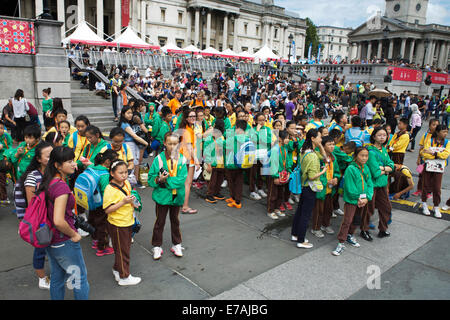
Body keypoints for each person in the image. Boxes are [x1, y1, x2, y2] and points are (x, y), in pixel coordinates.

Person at [37, 146, 89, 300]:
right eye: (69, 161)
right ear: (57, 165)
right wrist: (74, 234)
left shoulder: (49, 182)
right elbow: (59, 220)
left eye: (73, 160)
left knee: (58, 278)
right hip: (63, 240)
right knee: (79, 278)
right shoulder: (60, 187)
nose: (74, 164)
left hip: (51, 239)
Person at [18, 141, 53, 289]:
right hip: (41, 220)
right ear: (39, 159)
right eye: (48, 156)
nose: (52, 158)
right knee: (40, 249)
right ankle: (42, 278)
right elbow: (32, 204)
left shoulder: (55, 172)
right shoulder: (33, 176)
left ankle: (55, 275)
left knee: (55, 248)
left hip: (54, 217)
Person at [149, 132, 188, 260]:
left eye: (175, 144)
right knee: (160, 221)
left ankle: (176, 243)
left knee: (175, 221)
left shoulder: (182, 159)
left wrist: (166, 181)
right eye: (170, 143)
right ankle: (156, 245)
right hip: (162, 197)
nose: (172, 146)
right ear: (164, 143)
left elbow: (182, 179)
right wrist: (159, 180)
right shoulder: (158, 159)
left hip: (176, 197)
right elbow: (150, 178)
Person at [103, 160, 141, 286]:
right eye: (121, 173)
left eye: (126, 172)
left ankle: (117, 269)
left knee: (123, 249)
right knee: (122, 251)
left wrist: (134, 203)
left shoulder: (126, 183)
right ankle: (124, 277)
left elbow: (129, 196)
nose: (124, 175)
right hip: (118, 224)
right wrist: (123, 202)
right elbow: (107, 209)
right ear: (112, 173)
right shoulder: (109, 189)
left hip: (127, 221)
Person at [332, 147, 373, 256]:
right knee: (347, 220)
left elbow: (370, 184)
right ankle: (341, 242)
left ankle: (350, 235)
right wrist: (359, 198)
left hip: (363, 200)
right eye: (362, 155)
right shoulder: (350, 168)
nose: (364, 158)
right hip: (352, 200)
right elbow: (350, 188)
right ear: (355, 156)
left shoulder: (366, 168)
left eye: (366, 156)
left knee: (356, 220)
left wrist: (367, 197)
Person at [291, 129, 327, 249]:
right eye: (320, 137)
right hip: (310, 187)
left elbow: (324, 157)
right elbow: (312, 176)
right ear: (312, 138)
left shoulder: (305, 150)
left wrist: (320, 144)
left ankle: (295, 234)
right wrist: (322, 171)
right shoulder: (311, 155)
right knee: (305, 214)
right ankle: (301, 240)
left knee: (300, 211)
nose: (321, 139)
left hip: (304, 185)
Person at [362, 127, 394, 241]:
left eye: (384, 135)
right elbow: (375, 173)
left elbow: (392, 165)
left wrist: (383, 168)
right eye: (379, 135)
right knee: (369, 209)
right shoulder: (371, 152)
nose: (382, 137)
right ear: (374, 136)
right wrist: (387, 169)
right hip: (373, 185)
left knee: (386, 207)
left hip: (383, 184)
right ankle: (364, 230)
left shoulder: (383, 150)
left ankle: (383, 229)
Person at [88, 149, 118, 256]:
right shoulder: (104, 174)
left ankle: (95, 240)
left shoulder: (91, 168)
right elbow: (106, 191)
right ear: (108, 162)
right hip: (100, 203)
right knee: (102, 225)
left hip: (90, 201)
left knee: (93, 220)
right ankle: (102, 248)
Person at [311, 136, 340, 237]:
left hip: (330, 189)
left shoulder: (333, 157)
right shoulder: (318, 157)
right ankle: (316, 228)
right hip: (321, 188)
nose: (332, 146)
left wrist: (336, 178)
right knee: (318, 210)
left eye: (333, 144)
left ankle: (325, 224)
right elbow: (316, 173)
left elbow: (336, 171)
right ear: (323, 146)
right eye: (329, 144)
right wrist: (327, 181)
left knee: (328, 208)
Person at [420, 124, 450, 218]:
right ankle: (424, 203)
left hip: (439, 168)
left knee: (437, 188)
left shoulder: (447, 142)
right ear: (437, 132)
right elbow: (425, 154)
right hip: (428, 167)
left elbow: (445, 155)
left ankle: (436, 206)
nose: (446, 133)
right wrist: (438, 154)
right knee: (426, 185)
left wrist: (433, 152)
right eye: (443, 131)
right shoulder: (430, 140)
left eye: (446, 131)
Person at [224, 120, 250, 209]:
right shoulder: (247, 138)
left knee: (232, 182)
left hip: (231, 164)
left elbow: (224, 144)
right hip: (241, 164)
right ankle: (235, 198)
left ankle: (236, 200)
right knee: (238, 182)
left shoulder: (233, 138)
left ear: (236, 128)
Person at [178, 109, 200, 214]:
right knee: (188, 183)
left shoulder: (187, 128)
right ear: (186, 118)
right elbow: (189, 146)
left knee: (183, 182)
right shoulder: (188, 130)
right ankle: (185, 207)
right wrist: (196, 160)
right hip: (187, 158)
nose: (193, 118)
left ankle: (181, 203)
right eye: (190, 116)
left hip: (183, 157)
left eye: (194, 116)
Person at [267, 130, 292, 220]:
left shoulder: (284, 149)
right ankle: (270, 210)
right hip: (275, 175)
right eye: (286, 138)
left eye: (288, 138)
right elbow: (273, 164)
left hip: (283, 175)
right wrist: (275, 177)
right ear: (280, 139)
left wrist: (289, 172)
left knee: (280, 193)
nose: (288, 140)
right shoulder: (275, 149)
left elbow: (288, 161)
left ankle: (277, 208)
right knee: (272, 194)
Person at [412, 119, 439, 197]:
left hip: (433, 160)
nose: (435, 126)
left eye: (437, 125)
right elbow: (421, 147)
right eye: (433, 124)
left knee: (431, 176)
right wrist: (418, 158)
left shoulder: (438, 136)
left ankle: (428, 192)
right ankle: (419, 190)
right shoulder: (425, 135)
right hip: (424, 159)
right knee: (421, 175)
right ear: (429, 126)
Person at [204, 119, 226, 204]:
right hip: (213, 163)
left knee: (219, 179)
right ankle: (209, 195)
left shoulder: (221, 138)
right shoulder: (209, 139)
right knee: (212, 180)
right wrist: (209, 164)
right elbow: (206, 152)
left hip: (220, 162)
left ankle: (216, 193)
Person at [0, 121, 13, 204]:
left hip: (4, 160)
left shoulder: (6, 136)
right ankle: (3, 197)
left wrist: (6, 156)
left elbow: (10, 147)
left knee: (3, 180)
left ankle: (3, 197)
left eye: (1, 128)